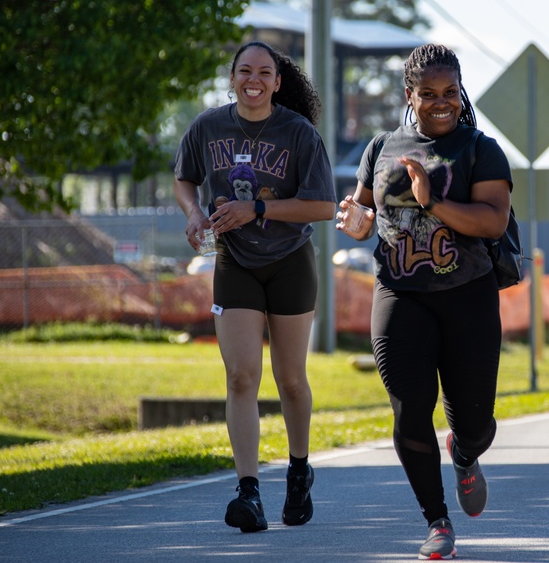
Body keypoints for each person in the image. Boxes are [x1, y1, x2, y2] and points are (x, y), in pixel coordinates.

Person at [337, 43, 512, 560]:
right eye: (428, 94)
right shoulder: (380, 148)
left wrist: (432, 199)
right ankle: (437, 522)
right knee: (410, 407)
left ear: (461, 93)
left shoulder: (481, 149)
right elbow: (361, 214)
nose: (441, 103)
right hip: (400, 293)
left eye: (451, 93)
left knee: (475, 422)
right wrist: (355, 221)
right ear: (409, 95)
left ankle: (465, 453)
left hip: (468, 296)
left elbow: (493, 221)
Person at [174, 41, 336, 532]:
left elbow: (323, 206)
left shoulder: (298, 132)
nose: (254, 79)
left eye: (264, 72)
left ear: (277, 81)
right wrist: (195, 212)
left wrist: (258, 209)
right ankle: (248, 491)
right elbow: (185, 178)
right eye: (245, 70)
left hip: (289, 262)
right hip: (234, 261)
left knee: (290, 379)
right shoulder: (208, 126)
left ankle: (299, 469)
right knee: (241, 377)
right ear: (232, 77)